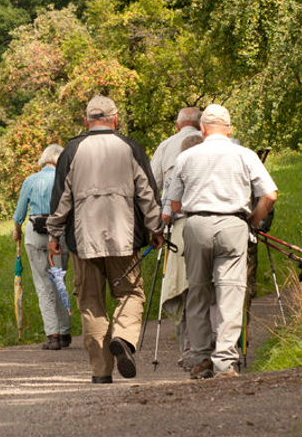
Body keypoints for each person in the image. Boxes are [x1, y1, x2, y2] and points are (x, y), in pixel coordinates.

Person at [47, 95, 165, 383]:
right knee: (130, 293)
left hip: (83, 241)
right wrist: (157, 229)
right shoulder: (130, 148)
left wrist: (53, 234)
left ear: (86, 120)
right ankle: (123, 338)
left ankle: (101, 372)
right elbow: (146, 194)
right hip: (124, 237)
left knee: (90, 301)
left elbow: (61, 199)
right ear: (115, 118)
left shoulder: (71, 150)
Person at [164, 104, 277, 379]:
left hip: (197, 224)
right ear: (229, 129)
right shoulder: (245, 155)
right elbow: (270, 195)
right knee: (230, 293)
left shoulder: (187, 157)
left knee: (198, 292)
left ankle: (201, 358)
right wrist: (253, 220)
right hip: (233, 224)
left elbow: (175, 202)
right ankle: (226, 361)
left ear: (202, 129)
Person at [151, 107, 203, 371]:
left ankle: (189, 350)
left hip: (180, 229)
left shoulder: (167, 147)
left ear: (177, 125)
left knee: (181, 290)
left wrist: (156, 227)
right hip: (218, 225)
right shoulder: (217, 144)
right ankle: (218, 351)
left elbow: (152, 184)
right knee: (210, 291)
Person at [12, 143, 72, 350]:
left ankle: (52, 335)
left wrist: (16, 231)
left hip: (36, 234)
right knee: (59, 281)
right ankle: (65, 332)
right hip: (60, 234)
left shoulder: (31, 180)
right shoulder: (65, 180)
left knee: (43, 284)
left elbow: (19, 214)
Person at [150, 107, 202, 191]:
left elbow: (152, 184)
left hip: (172, 200)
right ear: (201, 125)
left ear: (177, 126)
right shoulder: (210, 142)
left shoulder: (165, 146)